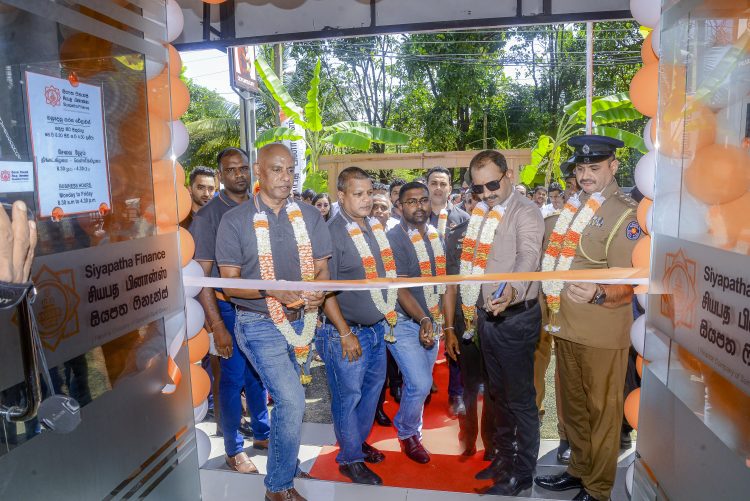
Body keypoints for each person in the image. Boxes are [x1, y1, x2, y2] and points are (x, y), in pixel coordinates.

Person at [216, 143, 331, 501]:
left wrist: (319, 292)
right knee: (292, 400)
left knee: (289, 401)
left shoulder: (309, 216)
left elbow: (322, 269)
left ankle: (286, 464)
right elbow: (229, 283)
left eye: (291, 170)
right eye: (277, 169)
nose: (286, 177)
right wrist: (272, 290)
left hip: (303, 321)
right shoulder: (235, 220)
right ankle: (277, 487)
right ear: (258, 171)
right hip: (257, 322)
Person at [534, 135, 642, 501]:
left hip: (601, 330)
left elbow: (631, 280)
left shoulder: (624, 213)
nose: (585, 175)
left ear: (613, 166)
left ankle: (597, 489)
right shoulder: (574, 206)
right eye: (580, 169)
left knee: (602, 412)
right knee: (575, 409)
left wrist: (599, 292)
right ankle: (578, 470)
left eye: (594, 167)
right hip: (565, 325)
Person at [464, 150, 544, 497]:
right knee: (497, 395)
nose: (486, 193)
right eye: (478, 188)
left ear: (508, 175)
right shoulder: (481, 212)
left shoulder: (525, 211)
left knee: (520, 399)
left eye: (492, 185)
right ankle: (502, 460)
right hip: (487, 318)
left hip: (515, 317)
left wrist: (510, 289)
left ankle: (522, 474)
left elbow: (528, 256)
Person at [188, 148, 270, 474]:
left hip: (260, 305)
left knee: (258, 374)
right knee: (233, 379)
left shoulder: (260, 206)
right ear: (220, 176)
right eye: (231, 169)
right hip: (228, 309)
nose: (239, 174)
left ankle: (262, 433)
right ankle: (233, 449)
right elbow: (202, 276)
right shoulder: (208, 216)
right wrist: (217, 325)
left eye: (243, 168)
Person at [317, 166, 389, 485]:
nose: (366, 199)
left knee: (370, 394)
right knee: (348, 397)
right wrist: (345, 332)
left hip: (375, 330)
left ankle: (356, 444)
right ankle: (349, 459)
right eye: (358, 194)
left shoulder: (373, 226)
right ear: (341, 196)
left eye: (369, 193)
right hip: (345, 334)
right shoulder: (332, 233)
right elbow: (324, 289)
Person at [385, 181, 443, 464]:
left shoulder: (435, 235)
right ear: (399, 206)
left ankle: (413, 430)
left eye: (423, 200)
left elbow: (444, 283)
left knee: (419, 383)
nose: (419, 206)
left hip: (433, 321)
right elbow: (399, 289)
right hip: (404, 322)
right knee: (420, 383)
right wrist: (423, 319)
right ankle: (407, 433)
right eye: (411, 201)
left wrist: (442, 322)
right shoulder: (393, 239)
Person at [443, 192, 496, 459]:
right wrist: (449, 329)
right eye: (473, 200)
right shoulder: (455, 235)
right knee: (469, 385)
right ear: (466, 203)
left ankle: (492, 443)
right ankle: (468, 438)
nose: (478, 204)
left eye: (482, 198)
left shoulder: (505, 230)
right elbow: (450, 286)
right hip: (465, 322)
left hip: (498, 320)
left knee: (495, 387)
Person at [425, 166, 468, 417]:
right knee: (425, 335)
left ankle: (456, 393)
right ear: (427, 186)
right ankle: (423, 381)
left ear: (450, 188)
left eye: (443, 183)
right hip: (425, 289)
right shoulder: (417, 216)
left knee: (456, 335)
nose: (438, 188)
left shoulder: (463, 218)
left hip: (454, 288)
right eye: (434, 183)